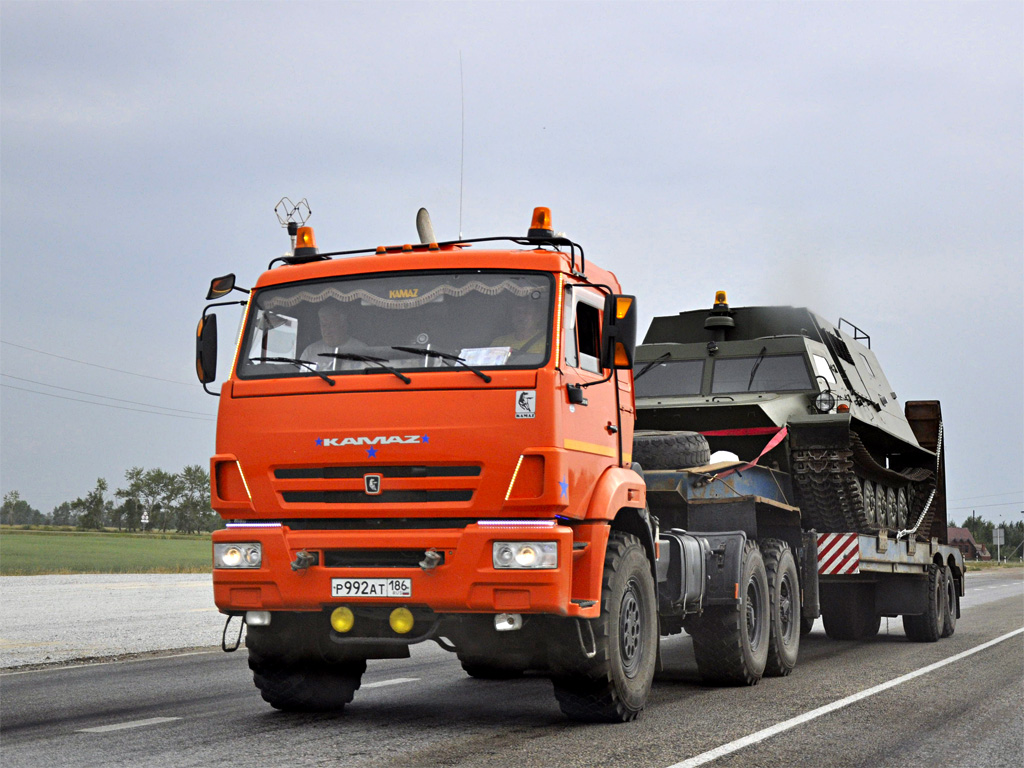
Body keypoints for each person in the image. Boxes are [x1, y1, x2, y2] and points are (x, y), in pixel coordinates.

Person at [301, 302, 368, 370]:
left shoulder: (361, 350)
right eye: (324, 325)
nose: (327, 331)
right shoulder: (310, 352)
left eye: (331, 325)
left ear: (343, 326)